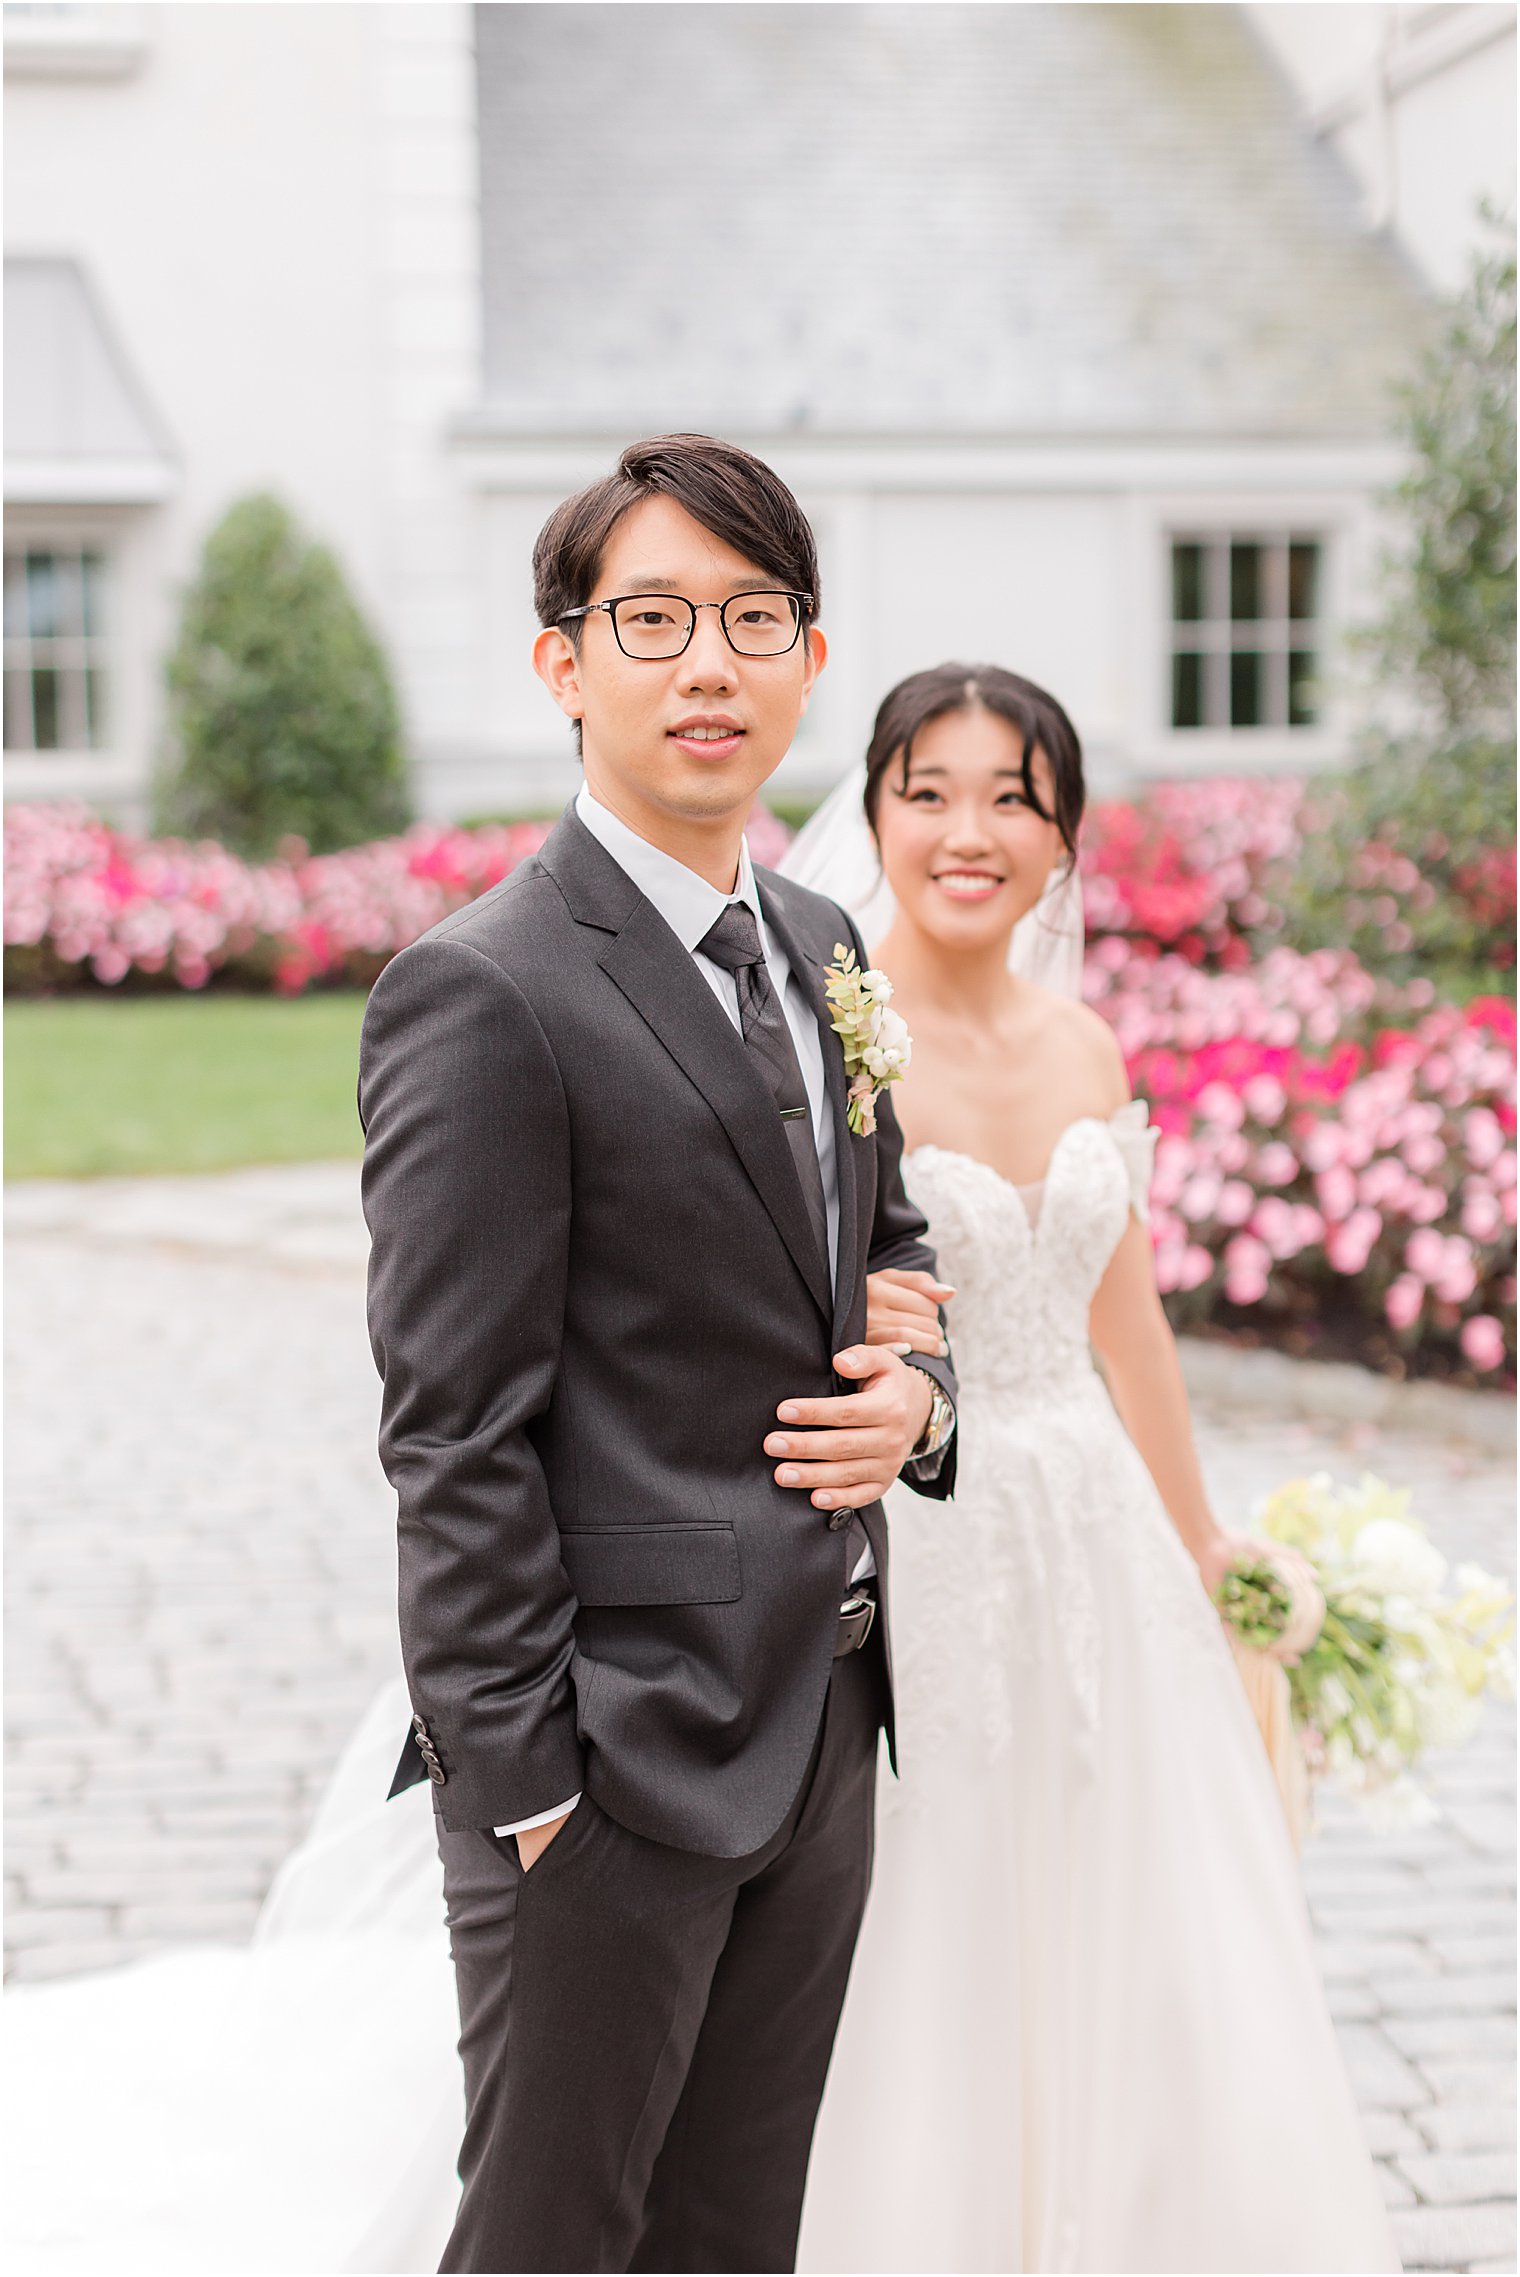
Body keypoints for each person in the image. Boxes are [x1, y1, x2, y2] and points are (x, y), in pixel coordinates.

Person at [358, 435, 958, 2274]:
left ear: (809, 653)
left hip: (821, 1724)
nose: (710, 661)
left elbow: (893, 1245)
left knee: (732, 2241)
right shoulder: (488, 988)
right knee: (554, 2239)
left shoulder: (822, 938)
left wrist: (920, 1401)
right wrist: (530, 1789)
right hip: (604, 1769)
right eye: (655, 617)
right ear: (565, 661)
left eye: (753, 617)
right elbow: (451, 1434)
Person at [785, 663, 1400, 2274]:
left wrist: (1205, 1541)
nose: (966, 831)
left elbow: (1125, 1319)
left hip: (1093, 1529)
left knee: (1153, 1913)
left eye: (1012, 797)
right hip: (920, 1527)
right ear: (873, 812)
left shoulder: (1082, 1041)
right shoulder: (839, 1042)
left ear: (1064, 838)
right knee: (942, 1895)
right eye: (928, 791)